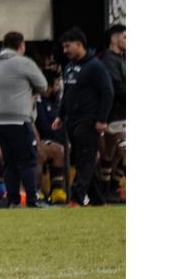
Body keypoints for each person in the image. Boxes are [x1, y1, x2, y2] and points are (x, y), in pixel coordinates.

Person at [53, 28, 114, 207]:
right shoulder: (70, 67)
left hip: (89, 120)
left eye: (67, 46)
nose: (65, 51)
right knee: (83, 160)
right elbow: (67, 94)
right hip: (72, 120)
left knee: (85, 159)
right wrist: (60, 115)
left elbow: (107, 92)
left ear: (79, 45)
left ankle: (76, 198)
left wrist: (102, 119)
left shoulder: (95, 66)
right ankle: (97, 200)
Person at [0, 31, 49, 207]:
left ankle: (13, 199)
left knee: (10, 161)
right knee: (27, 159)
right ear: (21, 45)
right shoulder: (24, 62)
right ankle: (32, 199)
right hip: (17, 118)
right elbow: (44, 85)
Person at [97, 24, 125, 201]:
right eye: (125, 37)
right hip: (114, 115)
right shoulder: (108, 60)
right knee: (115, 151)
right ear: (114, 39)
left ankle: (110, 188)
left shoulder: (121, 59)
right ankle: (107, 189)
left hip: (122, 113)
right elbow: (116, 88)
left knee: (113, 153)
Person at [35, 69, 68, 203]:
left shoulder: (56, 101)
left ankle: (57, 192)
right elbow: (43, 127)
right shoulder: (37, 101)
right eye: (55, 85)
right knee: (54, 150)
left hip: (57, 140)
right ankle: (38, 192)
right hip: (40, 139)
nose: (57, 88)